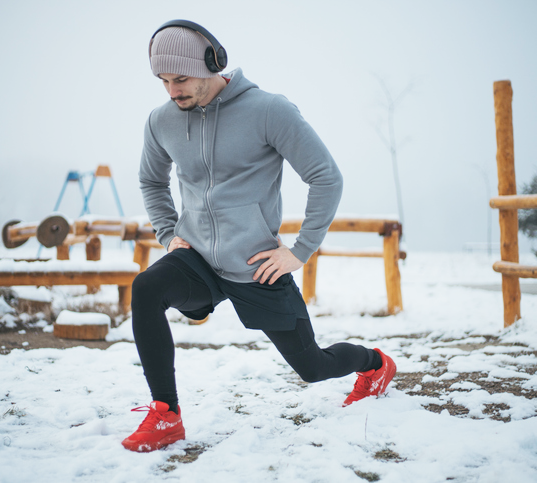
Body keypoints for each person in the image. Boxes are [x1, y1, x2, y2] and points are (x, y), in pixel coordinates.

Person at [122, 20, 396, 453]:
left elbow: (326, 177)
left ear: (213, 64)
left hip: (256, 264)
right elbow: (151, 182)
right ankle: (166, 416)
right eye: (164, 81)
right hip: (196, 258)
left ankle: (375, 364)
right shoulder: (161, 121)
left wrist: (299, 251)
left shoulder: (269, 110)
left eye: (181, 79)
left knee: (313, 366)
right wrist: (168, 234)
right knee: (147, 287)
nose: (172, 91)